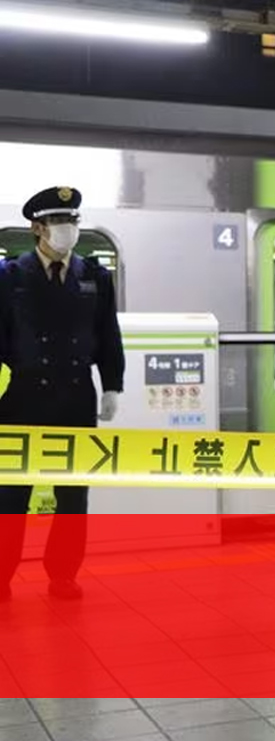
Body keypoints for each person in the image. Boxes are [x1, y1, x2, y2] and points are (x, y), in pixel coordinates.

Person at [0, 186, 124, 602]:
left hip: (76, 398)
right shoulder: (10, 276)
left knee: (73, 493)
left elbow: (108, 335)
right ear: (37, 228)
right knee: (12, 493)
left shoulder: (94, 276)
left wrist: (112, 385)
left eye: (72, 221)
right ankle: (2, 575)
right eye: (58, 222)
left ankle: (63, 574)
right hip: (21, 399)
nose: (67, 229)